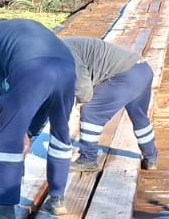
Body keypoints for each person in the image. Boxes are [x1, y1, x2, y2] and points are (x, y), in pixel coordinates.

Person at [0, 19, 77, 219]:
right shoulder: (31, 26)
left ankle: (5, 212)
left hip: (33, 69)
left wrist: (14, 125)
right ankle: (58, 199)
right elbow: (43, 101)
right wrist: (29, 130)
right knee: (60, 132)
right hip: (68, 69)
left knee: (8, 139)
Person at [61, 36, 159, 173]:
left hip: (127, 75)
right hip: (142, 69)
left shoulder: (62, 50)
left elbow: (82, 83)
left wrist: (81, 102)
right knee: (139, 116)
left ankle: (88, 159)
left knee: (90, 111)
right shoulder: (67, 44)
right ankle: (151, 157)